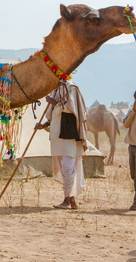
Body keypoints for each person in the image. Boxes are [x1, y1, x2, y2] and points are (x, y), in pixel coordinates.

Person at [35, 81, 88, 209]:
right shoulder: (54, 88)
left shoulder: (72, 88)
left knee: (67, 168)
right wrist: (43, 125)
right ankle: (71, 200)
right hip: (57, 137)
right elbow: (54, 115)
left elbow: (72, 110)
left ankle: (67, 200)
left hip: (69, 137)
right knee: (64, 168)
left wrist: (53, 102)